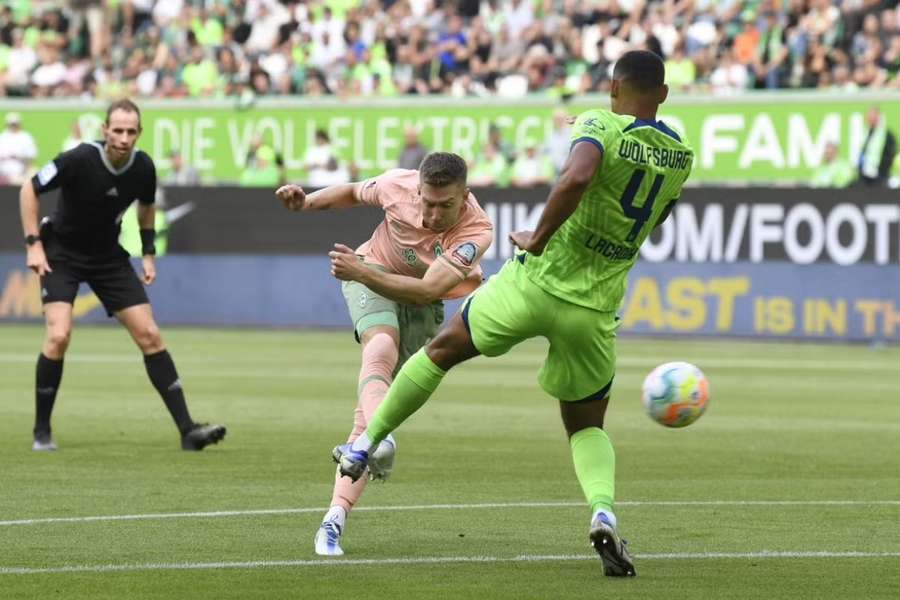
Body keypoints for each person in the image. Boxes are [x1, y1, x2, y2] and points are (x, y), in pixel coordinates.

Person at [332, 50, 694, 577]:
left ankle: (364, 446)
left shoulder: (599, 124)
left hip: (535, 282)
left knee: (441, 352)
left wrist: (539, 236)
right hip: (594, 308)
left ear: (613, 89)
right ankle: (603, 510)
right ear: (662, 95)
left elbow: (577, 176)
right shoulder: (681, 156)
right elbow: (657, 213)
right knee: (585, 425)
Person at [275, 152, 493, 556]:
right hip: (372, 271)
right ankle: (383, 437)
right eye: (427, 202)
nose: (433, 214)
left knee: (366, 417)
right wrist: (305, 203)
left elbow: (428, 290)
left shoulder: (476, 231)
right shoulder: (398, 185)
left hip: (417, 300)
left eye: (446, 205)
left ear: (465, 196)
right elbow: (352, 192)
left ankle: (333, 519)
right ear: (418, 189)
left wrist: (359, 272)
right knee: (381, 345)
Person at [19, 99, 226, 452]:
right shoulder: (78, 158)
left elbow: (146, 210)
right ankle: (42, 431)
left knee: (150, 335)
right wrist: (32, 245)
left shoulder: (143, 168)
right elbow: (29, 189)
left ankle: (188, 431)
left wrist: (147, 254)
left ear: (139, 133)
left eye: (131, 131)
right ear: (105, 131)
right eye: (117, 130)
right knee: (58, 336)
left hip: (107, 258)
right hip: (61, 254)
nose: (124, 137)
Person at [857, 106, 897, 186]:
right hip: (865, 176)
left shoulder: (887, 134)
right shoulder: (865, 133)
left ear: (879, 117)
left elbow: (891, 153)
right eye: (869, 116)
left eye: (873, 116)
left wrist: (883, 169)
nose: (870, 119)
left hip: (880, 176)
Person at [0, 112, 38, 184]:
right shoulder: (2, 137)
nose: (13, 126)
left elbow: (32, 157)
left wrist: (18, 157)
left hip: (22, 172)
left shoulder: (26, 137)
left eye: (15, 124)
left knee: (34, 173)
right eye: (11, 124)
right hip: (3, 172)